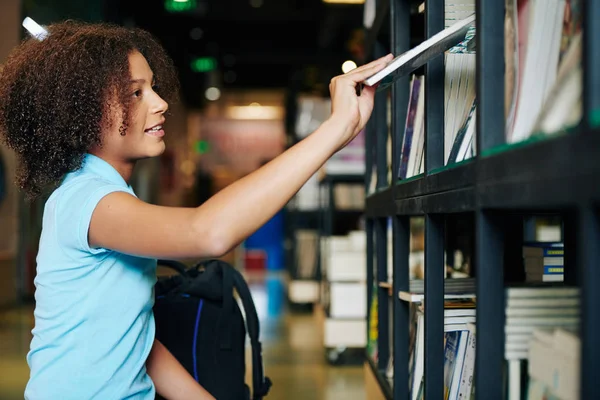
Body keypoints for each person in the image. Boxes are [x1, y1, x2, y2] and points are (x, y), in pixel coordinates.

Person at [0, 20, 392, 400]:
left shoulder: (109, 194)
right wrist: (335, 129)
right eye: (135, 93)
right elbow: (208, 233)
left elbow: (136, 339)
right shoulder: (88, 200)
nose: (161, 103)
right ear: (83, 113)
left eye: (152, 87)